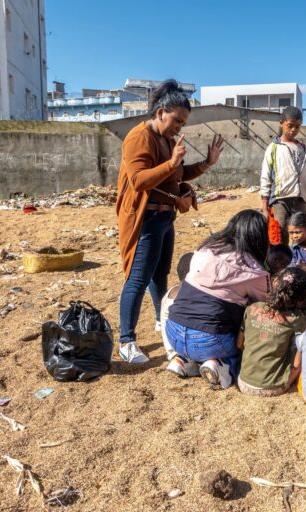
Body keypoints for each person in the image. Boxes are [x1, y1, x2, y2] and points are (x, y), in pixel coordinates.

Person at [116, 79, 225, 364]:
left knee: (159, 274)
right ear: (161, 112)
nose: (180, 127)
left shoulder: (166, 140)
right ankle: (126, 340)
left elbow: (175, 175)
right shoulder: (138, 137)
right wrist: (172, 163)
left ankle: (160, 319)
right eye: (177, 120)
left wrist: (206, 163)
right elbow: (139, 181)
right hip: (146, 219)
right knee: (137, 279)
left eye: (183, 122)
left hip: (165, 217)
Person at [166, 210, 271, 388]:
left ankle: (182, 359)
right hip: (210, 341)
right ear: (259, 237)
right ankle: (222, 364)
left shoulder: (205, 249)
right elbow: (265, 303)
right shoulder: (254, 271)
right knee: (246, 334)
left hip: (173, 332)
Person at [237, 267, 306, 397]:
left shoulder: (252, 308)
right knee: (302, 345)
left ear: (275, 282)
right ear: (301, 299)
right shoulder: (297, 318)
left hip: (244, 382)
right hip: (274, 387)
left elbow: (239, 344)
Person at [260, 107, 306, 244]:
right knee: (279, 235)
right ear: (281, 123)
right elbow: (265, 176)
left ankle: (299, 263)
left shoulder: (303, 148)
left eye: (297, 126)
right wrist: (265, 205)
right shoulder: (274, 148)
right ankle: (280, 263)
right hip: (279, 200)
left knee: (301, 235)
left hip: (300, 200)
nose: (293, 129)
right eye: (290, 125)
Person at [160, 252, 194, 365]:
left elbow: (164, 323)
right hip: (193, 344)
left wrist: (171, 352)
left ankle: (178, 361)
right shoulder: (196, 294)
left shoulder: (170, 293)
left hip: (173, 344)